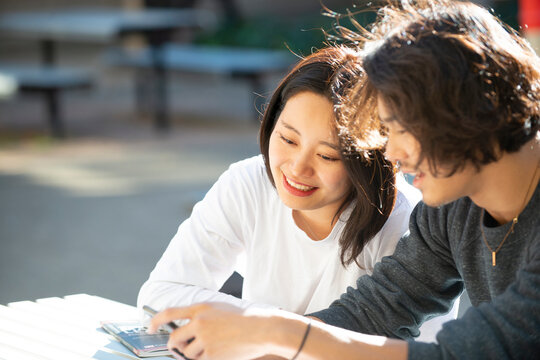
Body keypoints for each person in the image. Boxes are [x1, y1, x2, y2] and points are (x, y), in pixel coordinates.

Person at [148, 0, 540, 359]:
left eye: (399, 130)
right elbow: (374, 312)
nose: (390, 154)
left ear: (465, 113)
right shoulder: (451, 211)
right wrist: (265, 340)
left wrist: (274, 330)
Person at [139, 46, 454, 340]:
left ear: (369, 162)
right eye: (288, 140)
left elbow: (401, 349)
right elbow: (161, 295)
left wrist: (258, 328)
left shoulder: (407, 228)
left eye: (327, 156)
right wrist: (270, 327)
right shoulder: (249, 182)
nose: (297, 169)